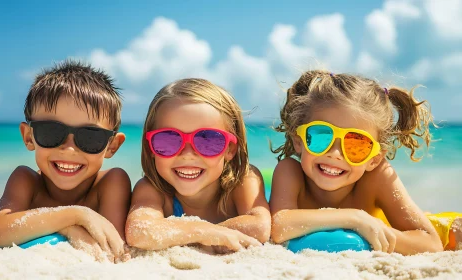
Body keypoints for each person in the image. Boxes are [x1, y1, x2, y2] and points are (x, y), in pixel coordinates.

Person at [270, 70, 460, 255]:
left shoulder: (377, 176)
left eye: (356, 144)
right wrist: (355, 218)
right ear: (299, 140)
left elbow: (431, 242)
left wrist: (373, 230)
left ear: (374, 159)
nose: (335, 154)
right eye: (321, 136)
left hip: (384, 224)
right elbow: (279, 225)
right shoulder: (290, 171)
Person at [0, 60, 131, 262]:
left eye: (90, 136)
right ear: (28, 137)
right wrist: (74, 217)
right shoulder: (26, 180)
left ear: (112, 145)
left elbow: (112, 247)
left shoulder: (111, 182)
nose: (69, 149)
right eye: (51, 132)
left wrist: (63, 222)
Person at [126, 78, 270, 253]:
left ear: (230, 149)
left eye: (208, 140)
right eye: (169, 140)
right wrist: (206, 233)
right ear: (151, 147)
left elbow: (260, 226)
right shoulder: (153, 190)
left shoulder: (244, 180)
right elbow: (139, 231)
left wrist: (191, 234)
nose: (187, 154)